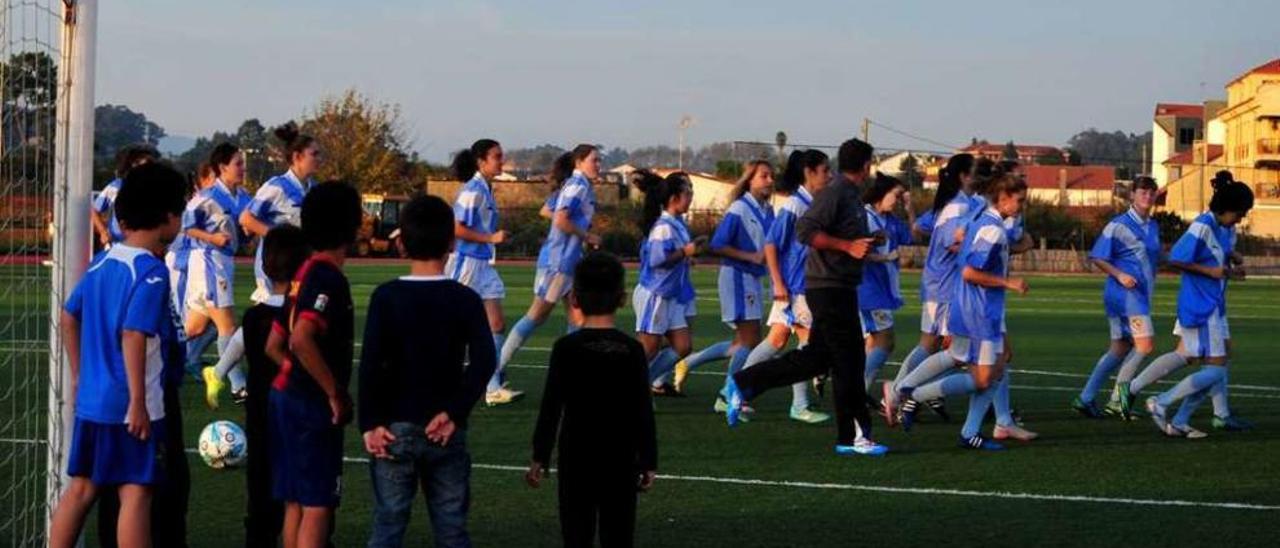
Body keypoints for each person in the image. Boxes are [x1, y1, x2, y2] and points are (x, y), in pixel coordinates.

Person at [49, 162, 187, 548]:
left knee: (81, 489)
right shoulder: (152, 272)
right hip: (131, 406)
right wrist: (138, 403)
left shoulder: (103, 261)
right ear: (167, 217)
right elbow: (132, 332)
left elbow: (67, 316)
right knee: (136, 491)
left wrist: (80, 375)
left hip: (93, 401)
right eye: (180, 211)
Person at [725, 138, 888, 457]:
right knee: (850, 362)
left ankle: (744, 382)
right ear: (866, 165)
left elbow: (836, 235)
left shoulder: (850, 196)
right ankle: (854, 436)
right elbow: (807, 232)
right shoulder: (836, 193)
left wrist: (863, 241)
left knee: (817, 358)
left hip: (837, 286)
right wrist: (847, 246)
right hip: (828, 287)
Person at [359, 195, 496, 548]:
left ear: (401, 242)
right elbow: (484, 360)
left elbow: (371, 364)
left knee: (388, 525)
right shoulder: (464, 298)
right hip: (445, 428)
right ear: (452, 242)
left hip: (394, 427)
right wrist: (455, 412)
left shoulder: (386, 296)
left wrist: (370, 422)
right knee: (451, 528)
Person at [527, 252, 658, 548]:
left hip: (577, 456)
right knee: (619, 533)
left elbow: (551, 406)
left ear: (574, 299)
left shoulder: (565, 348)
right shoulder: (632, 349)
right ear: (622, 298)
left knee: (576, 532)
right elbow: (642, 411)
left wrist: (540, 455)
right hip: (621, 457)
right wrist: (649, 459)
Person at [896, 174, 1029, 451]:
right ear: (1003, 199)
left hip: (970, 307)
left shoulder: (979, 221)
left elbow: (961, 247)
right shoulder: (993, 230)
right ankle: (915, 395)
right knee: (984, 377)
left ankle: (971, 431)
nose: (1022, 206)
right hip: (979, 312)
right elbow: (970, 272)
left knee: (997, 363)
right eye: (1019, 201)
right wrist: (1008, 282)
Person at [264, 182, 362, 548]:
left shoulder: (303, 272)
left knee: (295, 503)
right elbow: (300, 338)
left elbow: (273, 345)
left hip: (284, 398)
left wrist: (296, 376)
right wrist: (332, 391)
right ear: (349, 225)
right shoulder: (327, 277)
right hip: (310, 406)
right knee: (318, 505)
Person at [1144, 181, 1255, 438]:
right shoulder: (1203, 226)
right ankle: (1160, 402)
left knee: (1219, 363)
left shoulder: (1218, 227)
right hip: (1201, 307)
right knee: (1215, 369)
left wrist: (1230, 265)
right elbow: (1177, 258)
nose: (1241, 218)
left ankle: (1181, 420)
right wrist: (1212, 272)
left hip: (1213, 304)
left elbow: (1213, 259)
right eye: (1240, 213)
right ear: (1227, 208)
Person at [497, 144, 602, 403]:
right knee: (537, 315)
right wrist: (587, 235)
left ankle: (571, 379)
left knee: (578, 319)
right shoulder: (577, 186)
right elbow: (560, 219)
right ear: (579, 162)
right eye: (594, 160)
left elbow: (556, 215)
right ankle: (493, 373)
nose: (598, 165)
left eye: (599, 161)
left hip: (570, 262)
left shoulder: (582, 185)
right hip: (558, 263)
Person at [882, 154, 977, 425]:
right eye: (975, 171)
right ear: (964, 176)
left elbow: (920, 228)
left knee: (935, 345)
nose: (979, 176)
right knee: (950, 349)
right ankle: (903, 391)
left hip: (943, 285)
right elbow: (952, 242)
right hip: (945, 287)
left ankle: (903, 393)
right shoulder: (957, 208)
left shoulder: (955, 205)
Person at [737, 150, 831, 424]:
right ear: (809, 172)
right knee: (807, 344)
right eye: (825, 170)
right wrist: (779, 284)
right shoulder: (794, 206)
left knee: (776, 341)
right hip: (794, 287)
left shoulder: (811, 204)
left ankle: (732, 391)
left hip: (798, 286)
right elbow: (771, 244)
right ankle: (799, 405)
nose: (829, 175)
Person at [675, 160, 774, 408]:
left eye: (771, 176)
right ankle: (727, 395)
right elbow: (717, 244)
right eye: (764, 176)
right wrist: (750, 256)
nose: (770, 180)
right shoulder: (739, 209)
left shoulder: (768, 211)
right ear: (749, 180)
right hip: (737, 277)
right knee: (751, 340)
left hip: (753, 279)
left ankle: (689, 362)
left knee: (742, 342)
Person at [242, 225, 310, 548]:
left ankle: (258, 536)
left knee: (260, 484)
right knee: (298, 490)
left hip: (259, 411)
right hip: (294, 408)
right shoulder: (299, 316)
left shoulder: (252, 316)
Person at [1073, 176, 1161, 419]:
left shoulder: (1153, 226)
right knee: (1145, 346)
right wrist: (1120, 274)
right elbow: (1098, 256)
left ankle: (1085, 398)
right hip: (1125, 296)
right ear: (1132, 195)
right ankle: (1118, 400)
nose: (1147, 196)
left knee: (1119, 349)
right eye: (1142, 191)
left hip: (1140, 295)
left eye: (1152, 192)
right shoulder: (1118, 224)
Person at [182, 143, 250, 409]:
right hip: (209, 263)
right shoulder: (207, 197)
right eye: (238, 164)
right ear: (222, 168)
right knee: (228, 327)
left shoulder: (243, 197)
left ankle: (148, 352)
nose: (243, 169)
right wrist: (211, 237)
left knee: (195, 328)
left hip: (224, 263)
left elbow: (246, 225)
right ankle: (237, 386)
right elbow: (186, 227)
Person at [446, 139, 513, 406]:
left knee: (496, 324)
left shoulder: (485, 188)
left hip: (482, 265)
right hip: (467, 264)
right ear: (481, 161)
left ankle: (492, 385)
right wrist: (490, 238)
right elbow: (455, 228)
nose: (501, 161)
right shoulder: (472, 191)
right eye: (497, 156)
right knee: (452, 325)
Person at [630, 170, 702, 389]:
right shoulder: (663, 226)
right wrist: (685, 253)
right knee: (648, 349)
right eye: (688, 192)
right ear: (674, 198)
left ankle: (644, 383)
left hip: (670, 296)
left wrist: (687, 256)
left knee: (683, 346)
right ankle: (627, 386)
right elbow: (656, 260)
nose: (691, 197)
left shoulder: (676, 224)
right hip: (656, 295)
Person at [858, 174, 910, 397]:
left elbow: (911, 236)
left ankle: (858, 393)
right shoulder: (865, 217)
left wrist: (910, 209)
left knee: (873, 344)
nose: (898, 200)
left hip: (883, 289)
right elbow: (857, 252)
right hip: (868, 289)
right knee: (885, 341)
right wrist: (886, 258)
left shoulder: (890, 220)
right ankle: (855, 391)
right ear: (882, 193)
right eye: (896, 195)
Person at [91, 144, 160, 248]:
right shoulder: (116, 186)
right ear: (132, 165)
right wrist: (103, 232)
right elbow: (94, 210)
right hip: (115, 245)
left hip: (141, 247)